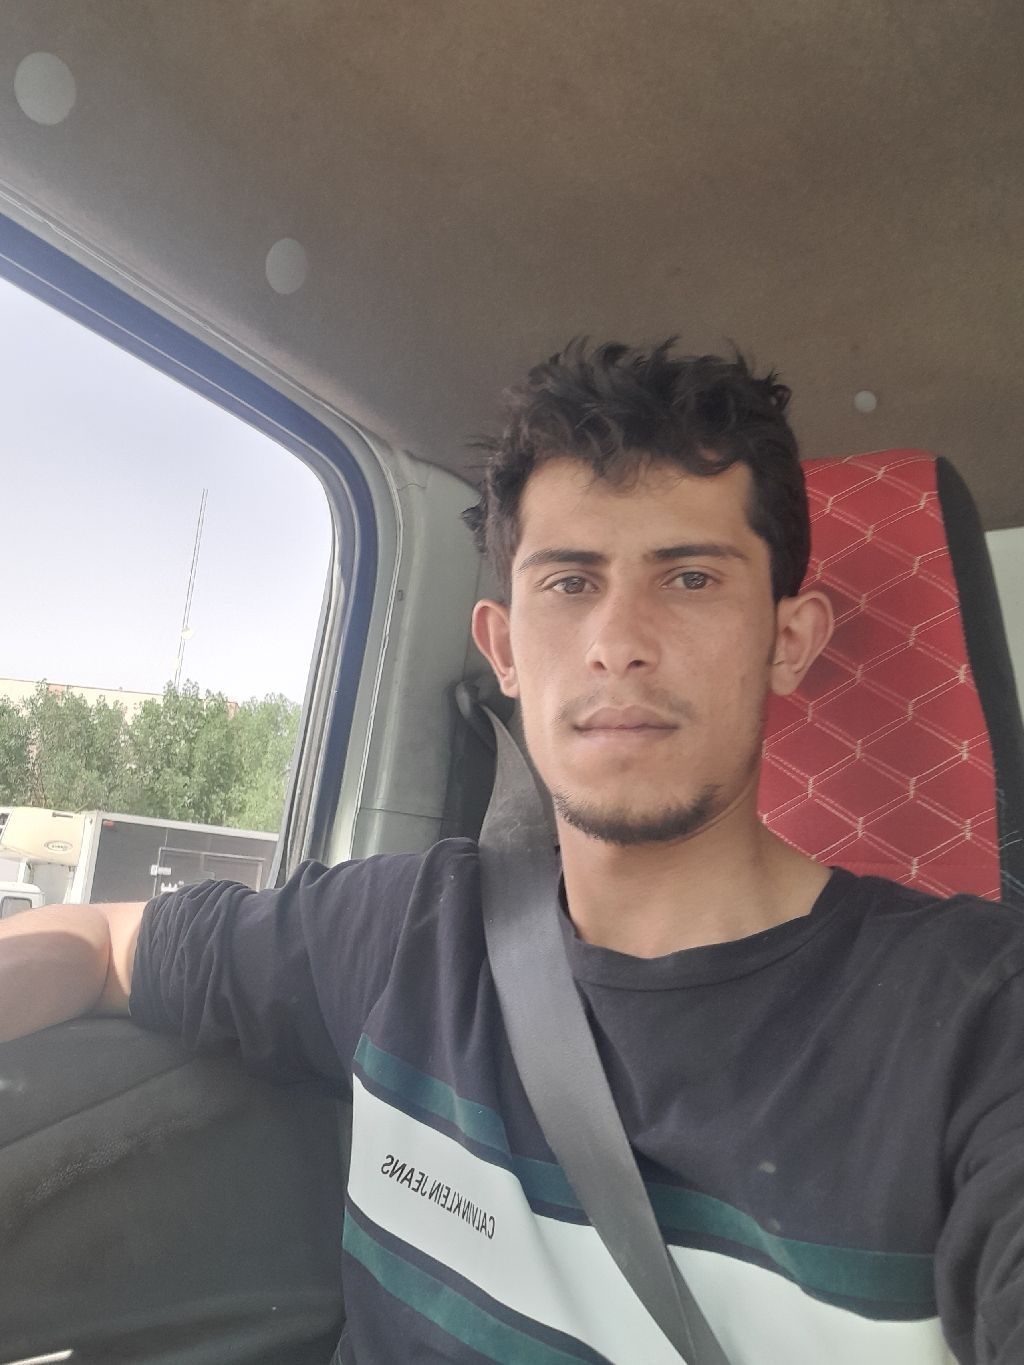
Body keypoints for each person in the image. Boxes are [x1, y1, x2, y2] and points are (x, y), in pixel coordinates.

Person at [1, 338, 1021, 1364]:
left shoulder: (978, 1020)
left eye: (690, 578)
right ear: (503, 650)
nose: (618, 642)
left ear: (787, 641)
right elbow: (102, 942)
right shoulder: (403, 931)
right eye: (570, 583)